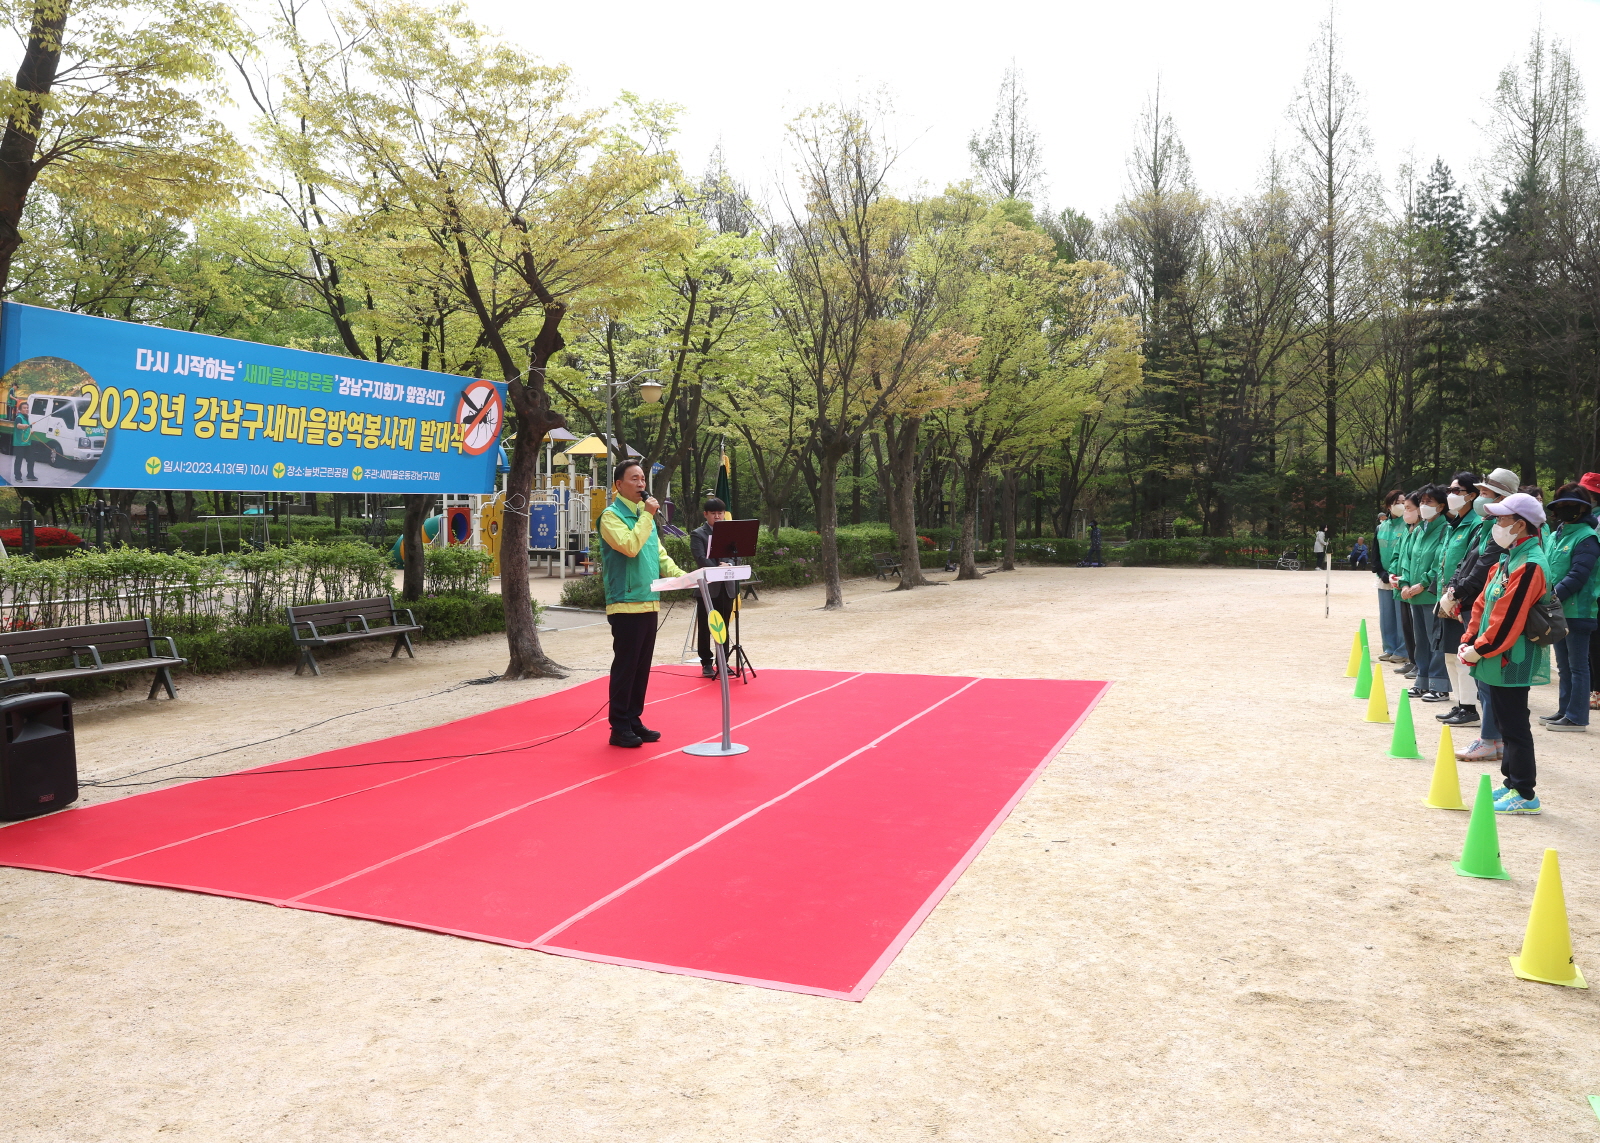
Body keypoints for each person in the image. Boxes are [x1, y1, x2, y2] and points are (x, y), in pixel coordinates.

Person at [1460, 492, 1551, 814]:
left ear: (1520, 525)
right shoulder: (1508, 559)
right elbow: (1484, 604)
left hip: (1510, 658)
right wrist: (1471, 637)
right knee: (1504, 719)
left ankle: (1526, 793)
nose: (1496, 524)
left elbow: (1509, 620)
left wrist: (1479, 648)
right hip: (1494, 655)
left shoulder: (1529, 566)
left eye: (1501, 519)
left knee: (1514, 725)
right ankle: (1511, 782)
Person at [600, 459, 688, 748]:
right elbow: (629, 546)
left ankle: (634, 719)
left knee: (641, 667)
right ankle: (619, 726)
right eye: (634, 479)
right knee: (626, 666)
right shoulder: (611, 517)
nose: (641, 484)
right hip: (626, 603)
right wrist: (646, 516)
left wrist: (686, 577)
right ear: (618, 485)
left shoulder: (643, 517)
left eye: (642, 479)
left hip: (650, 602)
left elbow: (660, 557)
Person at [1442, 467, 1520, 763]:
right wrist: (1453, 588)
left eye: (1486, 493)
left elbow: (1484, 565)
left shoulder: (1505, 530)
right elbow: (1467, 560)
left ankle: (1489, 738)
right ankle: (1493, 736)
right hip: (1473, 603)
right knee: (1483, 676)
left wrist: (1457, 592)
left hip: (1487, 605)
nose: (1480, 498)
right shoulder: (1486, 524)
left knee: (1488, 675)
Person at [1540, 484, 1599, 732]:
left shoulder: (1587, 537)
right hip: (1557, 610)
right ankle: (1565, 710)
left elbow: (1578, 575)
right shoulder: (1556, 535)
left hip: (1577, 611)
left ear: (1583, 508)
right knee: (1564, 666)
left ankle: (1577, 717)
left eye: (1570, 505)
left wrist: (1552, 597)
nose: (1564, 510)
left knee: (1577, 666)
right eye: (1559, 506)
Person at [1432, 472, 1487, 728]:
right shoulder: (1454, 523)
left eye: (1456, 491)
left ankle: (1470, 707)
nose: (1450, 495)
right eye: (1450, 489)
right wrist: (1447, 593)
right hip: (1449, 596)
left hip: (1465, 599)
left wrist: (1456, 594)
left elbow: (1472, 566)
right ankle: (1460, 703)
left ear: (1472, 495)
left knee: (1463, 654)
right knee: (1449, 654)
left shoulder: (1476, 524)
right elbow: (1451, 564)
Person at [1394, 486, 1449, 701]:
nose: (1424, 506)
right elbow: (1407, 558)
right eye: (1423, 502)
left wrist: (1423, 583)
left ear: (1441, 506)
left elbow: (1440, 561)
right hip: (1414, 594)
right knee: (1421, 641)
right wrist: (1406, 582)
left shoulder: (1445, 529)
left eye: (1429, 502)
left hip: (1430, 593)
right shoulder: (1418, 529)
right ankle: (1422, 681)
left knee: (1435, 640)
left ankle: (1439, 685)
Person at [690, 497, 738, 679]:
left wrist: (730, 565)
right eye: (713, 513)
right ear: (706, 514)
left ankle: (722, 661)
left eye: (720, 513)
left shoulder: (730, 532)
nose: (717, 516)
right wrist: (717, 569)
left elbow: (737, 555)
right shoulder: (698, 534)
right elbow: (700, 558)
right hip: (708, 588)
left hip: (727, 586)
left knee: (723, 626)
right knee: (705, 626)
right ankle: (706, 662)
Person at [1372, 491, 1408, 663]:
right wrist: (1381, 573)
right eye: (1397, 502)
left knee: (1401, 616)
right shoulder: (1381, 527)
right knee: (1386, 616)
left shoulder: (1409, 525)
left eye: (1404, 501)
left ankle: (1403, 650)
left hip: (1401, 578)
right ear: (1389, 505)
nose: (1401, 505)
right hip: (1385, 577)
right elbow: (1375, 554)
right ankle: (1389, 647)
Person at [10, 390, 36, 483]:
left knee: (31, 460)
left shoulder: (27, 417)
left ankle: (30, 475)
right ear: (20, 409)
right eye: (24, 408)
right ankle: (18, 476)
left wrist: (31, 431)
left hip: (27, 443)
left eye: (27, 408)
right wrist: (23, 426)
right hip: (19, 444)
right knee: (19, 461)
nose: (26, 409)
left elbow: (28, 427)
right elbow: (18, 425)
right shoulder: (19, 417)